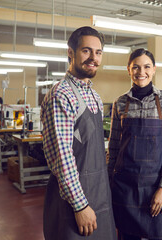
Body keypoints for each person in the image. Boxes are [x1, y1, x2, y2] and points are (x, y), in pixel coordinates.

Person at [41, 26, 116, 240]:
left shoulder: (94, 95)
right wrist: (80, 205)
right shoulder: (61, 95)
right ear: (70, 52)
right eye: (86, 51)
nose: (94, 58)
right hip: (73, 202)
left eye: (98, 52)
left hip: (99, 194)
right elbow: (62, 157)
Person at [107, 48, 162, 240]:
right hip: (125, 187)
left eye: (147, 67)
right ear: (128, 70)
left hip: (154, 188)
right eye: (136, 67)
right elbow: (114, 146)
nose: (141, 72)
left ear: (154, 69)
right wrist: (109, 183)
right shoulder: (120, 103)